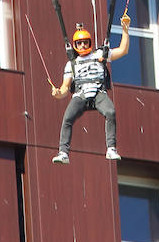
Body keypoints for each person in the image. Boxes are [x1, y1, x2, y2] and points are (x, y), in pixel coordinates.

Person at [51, 14, 130, 164]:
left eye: (85, 42)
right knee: (67, 118)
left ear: (90, 43)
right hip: (80, 94)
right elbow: (65, 88)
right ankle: (63, 152)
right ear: (75, 45)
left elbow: (123, 50)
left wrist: (125, 29)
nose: (82, 46)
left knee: (110, 112)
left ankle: (111, 148)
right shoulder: (71, 64)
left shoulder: (100, 54)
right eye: (79, 43)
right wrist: (58, 93)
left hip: (99, 92)